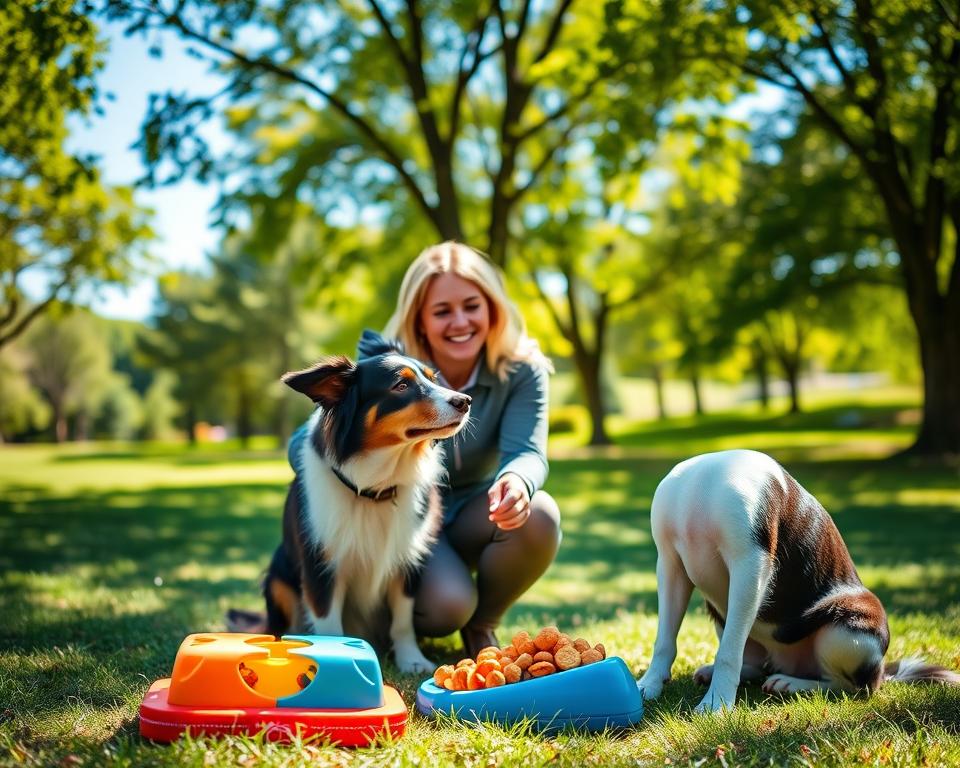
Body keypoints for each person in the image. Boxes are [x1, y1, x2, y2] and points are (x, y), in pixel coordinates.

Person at [288, 241, 561, 657]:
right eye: (442, 311)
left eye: (472, 305)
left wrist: (517, 481)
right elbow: (312, 438)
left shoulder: (522, 369)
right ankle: (373, 628)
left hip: (475, 512)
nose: (460, 321)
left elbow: (527, 450)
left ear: (492, 307)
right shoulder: (393, 360)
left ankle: (481, 627)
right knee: (446, 608)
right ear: (420, 318)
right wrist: (338, 472)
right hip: (399, 513)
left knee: (540, 514)